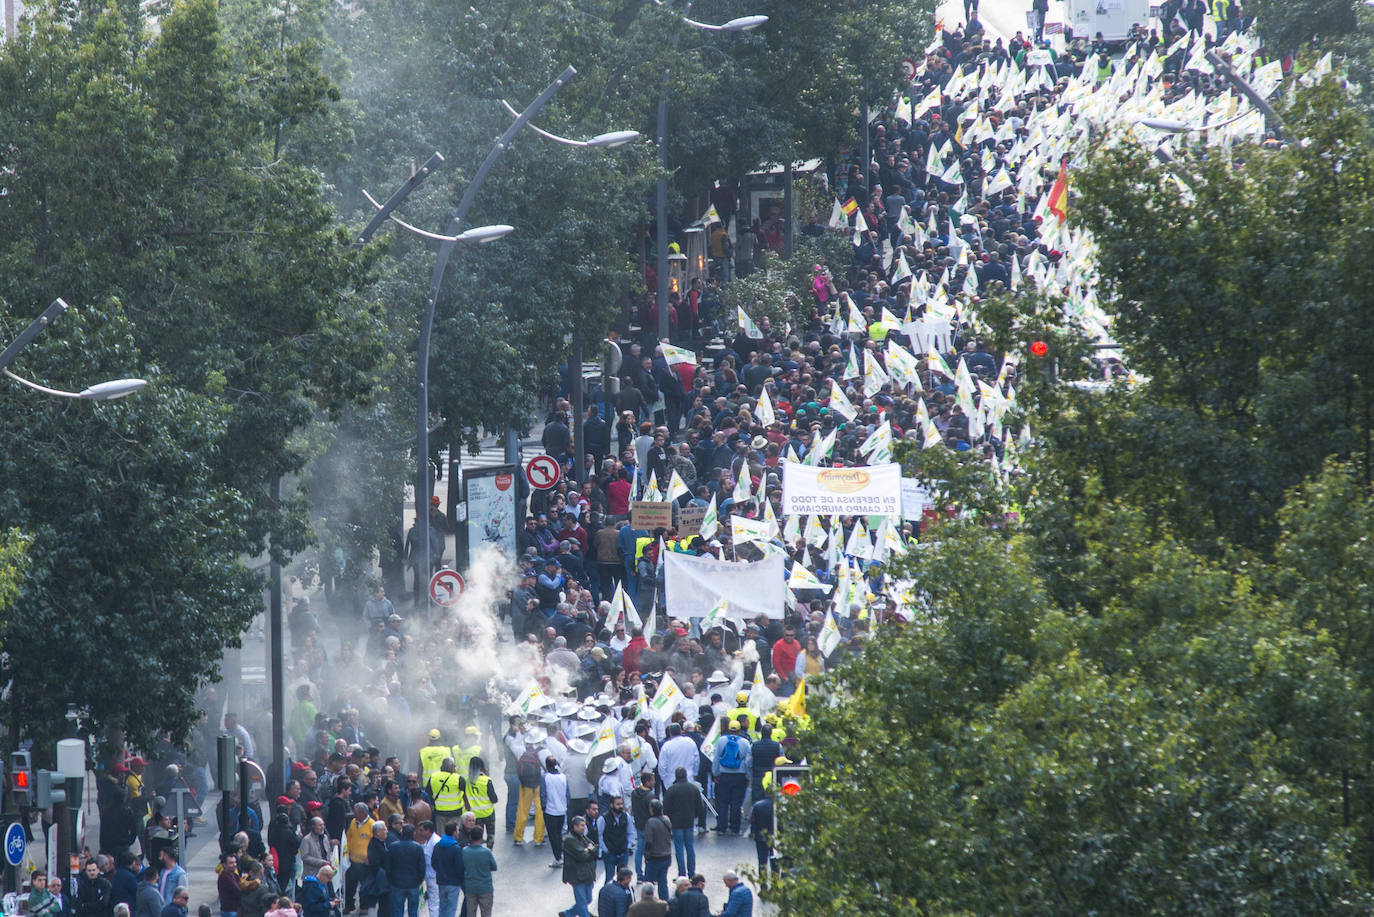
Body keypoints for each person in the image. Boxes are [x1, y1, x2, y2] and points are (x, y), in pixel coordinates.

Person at [662, 767, 705, 877]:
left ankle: (682, 873)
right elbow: (700, 806)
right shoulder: (693, 788)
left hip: (676, 823)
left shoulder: (671, 789)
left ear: (676, 775)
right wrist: (694, 816)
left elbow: (666, 808)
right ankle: (692, 873)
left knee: (679, 847)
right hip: (689, 821)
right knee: (690, 847)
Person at [710, 723, 751, 835]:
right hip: (739, 776)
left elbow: (717, 758)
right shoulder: (745, 743)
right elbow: (747, 762)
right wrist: (748, 777)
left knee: (723, 802)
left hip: (724, 775)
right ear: (739, 730)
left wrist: (715, 774)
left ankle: (722, 827)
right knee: (736, 803)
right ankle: (735, 828)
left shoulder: (721, 741)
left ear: (728, 730)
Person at [557, 815, 598, 917]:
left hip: (588, 873)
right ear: (574, 827)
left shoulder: (582, 837)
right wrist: (589, 849)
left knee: (588, 899)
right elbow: (582, 856)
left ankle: (568, 914)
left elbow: (595, 848)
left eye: (584, 825)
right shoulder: (569, 840)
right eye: (581, 825)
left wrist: (589, 849)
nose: (584, 827)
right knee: (582, 901)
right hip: (577, 875)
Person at [385, 824, 426, 917]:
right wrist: (420, 880)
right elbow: (421, 866)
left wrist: (391, 880)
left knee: (397, 909)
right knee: (413, 910)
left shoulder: (393, 846)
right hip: (413, 883)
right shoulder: (418, 847)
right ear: (413, 833)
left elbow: (388, 866)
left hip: (397, 883)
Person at [595, 795, 635, 886]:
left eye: (621, 804)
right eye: (617, 804)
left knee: (624, 878)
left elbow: (631, 832)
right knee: (609, 878)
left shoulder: (626, 817)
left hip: (623, 851)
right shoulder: (603, 818)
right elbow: (599, 835)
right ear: (611, 805)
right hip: (610, 853)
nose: (620, 806)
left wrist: (628, 846)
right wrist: (605, 849)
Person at [344, 803, 375, 914]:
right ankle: (349, 905)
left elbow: (374, 843)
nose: (354, 814)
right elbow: (348, 836)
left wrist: (370, 857)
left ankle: (364, 906)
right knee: (350, 884)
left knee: (364, 887)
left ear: (362, 813)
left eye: (356, 812)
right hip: (352, 860)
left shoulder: (372, 825)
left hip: (365, 862)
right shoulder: (353, 822)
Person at [459, 828, 496, 917]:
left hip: (471, 887)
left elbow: (462, 866)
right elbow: (494, 867)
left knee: (470, 913)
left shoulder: (465, 851)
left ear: (470, 837)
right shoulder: (487, 852)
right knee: (486, 913)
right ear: (481, 838)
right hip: (485, 887)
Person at [641, 800, 673, 901]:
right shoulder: (666, 819)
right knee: (663, 881)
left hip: (655, 857)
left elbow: (649, 841)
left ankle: (647, 905)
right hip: (667, 855)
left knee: (648, 884)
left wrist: (646, 855)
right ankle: (665, 903)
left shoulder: (651, 822)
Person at [430, 823, 464, 917]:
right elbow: (459, 867)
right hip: (454, 882)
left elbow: (434, 863)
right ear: (454, 832)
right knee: (451, 909)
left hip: (441, 881)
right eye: (457, 830)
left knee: (442, 907)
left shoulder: (437, 846)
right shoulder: (456, 848)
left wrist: (441, 872)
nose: (458, 832)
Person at [542, 756, 569, 867]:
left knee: (553, 836)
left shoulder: (545, 777)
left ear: (547, 765)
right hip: (562, 810)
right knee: (559, 834)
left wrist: (543, 807)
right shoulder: (563, 777)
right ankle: (562, 855)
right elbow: (568, 794)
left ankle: (558, 858)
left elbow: (543, 794)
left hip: (550, 811)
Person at [464, 758, 498, 848]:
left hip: (475, 815)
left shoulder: (467, 781)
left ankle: (478, 851)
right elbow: (494, 799)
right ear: (482, 767)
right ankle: (489, 851)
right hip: (488, 813)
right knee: (490, 834)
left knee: (477, 835)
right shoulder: (486, 780)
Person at [360, 821, 390, 917]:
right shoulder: (374, 844)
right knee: (375, 903)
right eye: (384, 829)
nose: (387, 831)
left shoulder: (381, 843)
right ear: (378, 832)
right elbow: (375, 863)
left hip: (380, 878)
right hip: (377, 879)